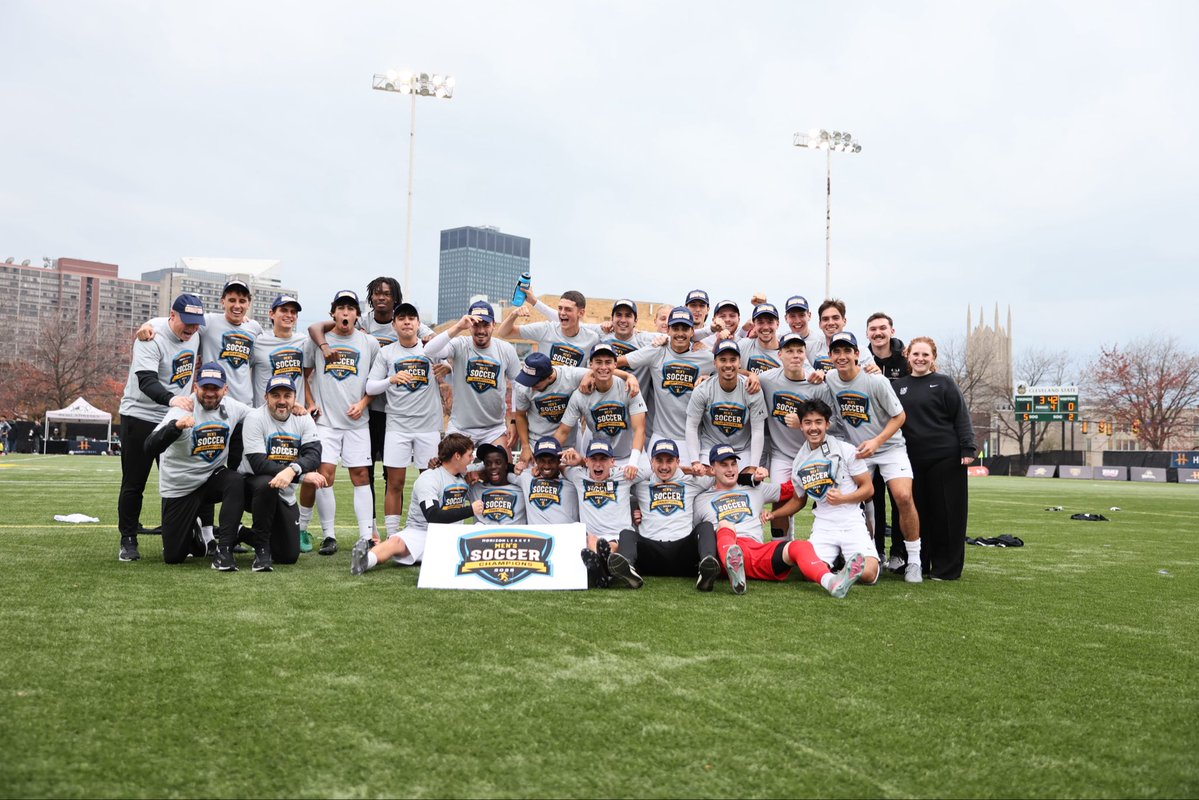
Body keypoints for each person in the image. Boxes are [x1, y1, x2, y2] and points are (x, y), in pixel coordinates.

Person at [697, 443, 865, 597]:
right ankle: (732, 564)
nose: (730, 469)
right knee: (725, 524)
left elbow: (791, 490)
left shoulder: (756, 489)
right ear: (712, 469)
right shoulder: (700, 499)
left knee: (800, 546)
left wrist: (822, 477)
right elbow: (698, 535)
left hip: (756, 551)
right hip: (723, 552)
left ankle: (831, 582)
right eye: (723, 465)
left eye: (733, 464)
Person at [822, 332, 923, 583]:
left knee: (903, 496)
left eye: (848, 351)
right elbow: (833, 418)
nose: (842, 356)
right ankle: (867, 555)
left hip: (889, 447)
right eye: (837, 352)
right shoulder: (830, 380)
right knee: (859, 501)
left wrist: (878, 441)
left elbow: (899, 417)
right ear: (830, 356)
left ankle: (914, 561)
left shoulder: (876, 381)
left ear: (858, 354)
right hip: (858, 450)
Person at [116, 293, 203, 562]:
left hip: (176, 415)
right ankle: (128, 538)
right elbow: (145, 380)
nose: (190, 329)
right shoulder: (151, 335)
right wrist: (172, 398)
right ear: (172, 315)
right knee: (134, 481)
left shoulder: (197, 330)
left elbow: (227, 319)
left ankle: (183, 533)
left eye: (195, 324)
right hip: (140, 415)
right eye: (185, 322)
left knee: (182, 479)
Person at [143, 363, 252, 569]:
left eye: (215, 388)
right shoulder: (181, 410)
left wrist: (296, 409)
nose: (210, 394)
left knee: (235, 480)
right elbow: (149, 446)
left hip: (212, 479)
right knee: (174, 557)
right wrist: (175, 427)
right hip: (181, 486)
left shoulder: (233, 407)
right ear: (195, 388)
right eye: (205, 388)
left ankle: (225, 549)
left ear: (225, 390)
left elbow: (261, 416)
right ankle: (194, 529)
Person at [762, 399, 878, 589]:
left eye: (818, 422)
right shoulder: (799, 462)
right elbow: (799, 501)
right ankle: (841, 573)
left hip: (851, 521)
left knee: (867, 574)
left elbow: (868, 489)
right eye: (807, 423)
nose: (813, 428)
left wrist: (844, 498)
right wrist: (775, 514)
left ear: (827, 424)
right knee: (810, 573)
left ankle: (845, 570)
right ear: (801, 426)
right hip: (824, 524)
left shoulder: (846, 450)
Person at [303, 290, 381, 556]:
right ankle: (329, 535)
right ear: (333, 313)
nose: (345, 312)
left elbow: (375, 381)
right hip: (325, 422)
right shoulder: (317, 341)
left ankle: (365, 536)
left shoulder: (369, 343)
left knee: (361, 476)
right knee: (325, 476)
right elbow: (305, 374)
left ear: (357, 314)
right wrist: (310, 401)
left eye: (350, 308)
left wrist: (363, 403)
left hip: (358, 422)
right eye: (340, 308)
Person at [893, 336, 976, 580]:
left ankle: (946, 568)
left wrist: (967, 448)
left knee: (948, 514)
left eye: (925, 355)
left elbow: (961, 416)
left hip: (945, 458)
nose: (920, 359)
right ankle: (920, 563)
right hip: (910, 460)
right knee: (918, 513)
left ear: (933, 358)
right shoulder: (898, 387)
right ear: (908, 356)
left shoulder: (944, 383)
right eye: (915, 354)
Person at [364, 301, 444, 543]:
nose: (407, 322)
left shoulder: (431, 349)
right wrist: (391, 379)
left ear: (419, 324)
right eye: (402, 318)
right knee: (395, 482)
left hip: (428, 426)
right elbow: (370, 386)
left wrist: (448, 365)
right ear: (394, 324)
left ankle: (430, 532)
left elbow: (454, 355)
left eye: (411, 318)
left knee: (429, 480)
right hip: (397, 427)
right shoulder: (386, 353)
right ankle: (392, 535)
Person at [351, 434, 483, 575]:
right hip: (422, 532)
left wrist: (484, 473)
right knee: (397, 542)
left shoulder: (464, 473)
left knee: (481, 530)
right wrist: (471, 510)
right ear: (457, 456)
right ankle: (365, 561)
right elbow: (433, 516)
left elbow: (494, 465)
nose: (472, 459)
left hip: (452, 534)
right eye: (469, 455)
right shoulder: (429, 478)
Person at [251, 294, 319, 551]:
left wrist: (307, 401)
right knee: (255, 477)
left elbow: (309, 373)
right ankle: (239, 530)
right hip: (261, 420)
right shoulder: (258, 342)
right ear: (271, 314)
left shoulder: (304, 341)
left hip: (293, 419)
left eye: (293, 311)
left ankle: (296, 529)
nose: (288, 315)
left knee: (291, 472)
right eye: (283, 310)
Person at [239, 375, 327, 570]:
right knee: (266, 483)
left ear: (295, 398)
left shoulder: (303, 419)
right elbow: (258, 463)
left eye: (287, 395)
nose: (281, 401)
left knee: (288, 555)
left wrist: (292, 470)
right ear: (266, 397)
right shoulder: (255, 418)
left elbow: (314, 454)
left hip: (284, 491)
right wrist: (302, 476)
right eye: (276, 395)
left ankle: (240, 533)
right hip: (251, 488)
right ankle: (261, 551)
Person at [757, 332, 833, 540]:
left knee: (825, 498)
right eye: (789, 351)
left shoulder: (817, 385)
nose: (795, 355)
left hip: (812, 452)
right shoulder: (767, 379)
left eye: (799, 351)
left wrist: (804, 422)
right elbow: (744, 377)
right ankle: (779, 545)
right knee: (781, 498)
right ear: (779, 354)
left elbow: (832, 423)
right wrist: (752, 376)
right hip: (781, 452)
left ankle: (826, 544)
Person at [619, 306, 714, 465]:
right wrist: (627, 375)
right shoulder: (657, 351)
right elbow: (614, 363)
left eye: (685, 329)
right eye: (675, 328)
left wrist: (709, 378)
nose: (680, 333)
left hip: (691, 439)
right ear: (668, 330)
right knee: (654, 486)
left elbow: (732, 370)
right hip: (660, 436)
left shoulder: (705, 357)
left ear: (692, 332)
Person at [625, 439, 722, 590]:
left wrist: (690, 470)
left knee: (706, 527)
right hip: (651, 553)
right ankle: (628, 570)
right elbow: (614, 479)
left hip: (683, 552)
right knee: (626, 534)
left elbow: (717, 473)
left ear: (678, 461)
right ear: (651, 462)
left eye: (669, 461)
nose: (664, 466)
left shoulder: (691, 482)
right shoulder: (641, 484)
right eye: (659, 460)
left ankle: (706, 568)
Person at [423, 300, 521, 450]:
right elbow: (429, 350)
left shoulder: (506, 349)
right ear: (469, 325)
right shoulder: (460, 344)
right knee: (449, 470)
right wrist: (458, 327)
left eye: (485, 325)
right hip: (461, 427)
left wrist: (514, 421)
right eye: (476, 325)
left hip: (493, 428)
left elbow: (517, 386)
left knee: (502, 467)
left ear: (494, 324)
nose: (481, 330)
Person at [561, 439, 643, 589]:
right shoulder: (578, 475)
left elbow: (653, 471)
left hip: (620, 537)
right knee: (592, 539)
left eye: (603, 459)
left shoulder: (623, 475)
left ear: (612, 461)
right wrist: (577, 460)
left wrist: (632, 466)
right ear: (586, 461)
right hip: (591, 537)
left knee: (610, 544)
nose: (598, 464)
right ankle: (602, 568)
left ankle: (600, 566)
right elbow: (555, 467)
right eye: (593, 459)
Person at [864, 311, 910, 568]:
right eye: (873, 329)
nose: (878, 333)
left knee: (900, 497)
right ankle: (877, 550)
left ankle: (899, 552)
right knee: (873, 498)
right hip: (869, 439)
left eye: (883, 328)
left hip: (898, 440)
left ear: (892, 331)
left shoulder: (905, 362)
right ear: (867, 334)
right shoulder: (860, 359)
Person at [556, 343, 647, 468]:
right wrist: (547, 456)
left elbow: (640, 429)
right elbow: (563, 431)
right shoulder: (580, 395)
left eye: (608, 362)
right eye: (598, 362)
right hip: (599, 458)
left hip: (629, 455)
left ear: (615, 364)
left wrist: (633, 463)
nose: (603, 367)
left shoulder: (629, 388)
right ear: (590, 365)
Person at [685, 339, 767, 472]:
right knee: (705, 479)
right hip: (711, 448)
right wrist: (695, 461)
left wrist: (753, 466)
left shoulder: (752, 389)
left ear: (739, 362)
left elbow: (758, 430)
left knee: (747, 484)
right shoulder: (703, 389)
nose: (728, 365)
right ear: (715, 363)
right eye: (723, 360)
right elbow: (691, 426)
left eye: (732, 360)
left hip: (741, 450)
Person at [512, 352, 591, 465]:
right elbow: (520, 416)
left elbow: (600, 371)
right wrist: (525, 446)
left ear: (549, 377)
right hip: (536, 442)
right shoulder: (523, 386)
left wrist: (589, 375)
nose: (531, 387)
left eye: (535, 384)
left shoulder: (570, 375)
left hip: (568, 444)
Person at [495, 288, 600, 368]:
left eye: (568, 309)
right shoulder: (545, 329)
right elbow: (504, 333)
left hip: (573, 396)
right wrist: (514, 315)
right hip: (543, 395)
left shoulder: (592, 339)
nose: (562, 313)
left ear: (581, 313)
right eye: (560, 308)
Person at [515, 438, 580, 524]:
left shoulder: (572, 479)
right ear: (535, 459)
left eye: (551, 461)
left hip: (566, 535)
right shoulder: (526, 477)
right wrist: (515, 468)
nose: (547, 465)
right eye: (542, 461)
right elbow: (502, 472)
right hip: (538, 536)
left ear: (559, 459)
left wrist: (580, 461)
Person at [468, 443, 528, 525]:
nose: (493, 467)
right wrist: (478, 473)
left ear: (506, 465)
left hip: (513, 536)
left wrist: (513, 468)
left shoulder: (522, 489)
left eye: (498, 462)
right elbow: (456, 472)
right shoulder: (475, 488)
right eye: (488, 464)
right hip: (483, 536)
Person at [737, 303, 782, 374]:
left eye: (770, 322)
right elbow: (726, 369)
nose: (765, 327)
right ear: (754, 324)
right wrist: (749, 374)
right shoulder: (743, 345)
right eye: (760, 322)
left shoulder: (786, 353)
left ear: (777, 324)